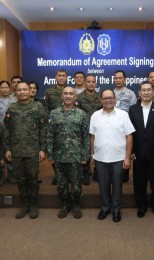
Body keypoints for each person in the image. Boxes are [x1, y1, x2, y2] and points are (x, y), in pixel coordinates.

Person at [90, 89, 135, 223]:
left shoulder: (123, 115)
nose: (108, 100)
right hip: (100, 157)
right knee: (102, 185)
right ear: (101, 100)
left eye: (111, 98)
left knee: (117, 185)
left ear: (115, 99)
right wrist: (92, 156)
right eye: (105, 98)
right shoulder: (95, 115)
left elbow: (129, 137)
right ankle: (105, 207)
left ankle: (116, 209)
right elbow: (92, 137)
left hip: (118, 157)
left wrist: (127, 157)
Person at [4, 81, 47, 219]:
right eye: (19, 90)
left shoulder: (38, 107)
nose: (22, 92)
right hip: (16, 150)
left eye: (25, 90)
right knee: (20, 179)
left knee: (33, 179)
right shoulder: (11, 108)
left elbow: (44, 129)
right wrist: (7, 149)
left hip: (32, 150)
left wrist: (42, 149)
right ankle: (24, 205)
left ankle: (34, 205)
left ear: (30, 91)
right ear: (15, 92)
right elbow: (6, 130)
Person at [128, 81, 154, 220]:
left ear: (153, 93)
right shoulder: (133, 109)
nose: (146, 93)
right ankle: (141, 206)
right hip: (138, 153)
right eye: (143, 90)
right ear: (139, 93)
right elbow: (130, 133)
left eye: (149, 90)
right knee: (139, 182)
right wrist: (131, 151)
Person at [47, 86, 89, 219]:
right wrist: (50, 153)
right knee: (61, 184)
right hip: (59, 155)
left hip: (76, 156)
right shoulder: (54, 114)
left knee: (76, 185)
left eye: (71, 93)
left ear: (75, 97)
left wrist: (85, 154)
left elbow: (85, 136)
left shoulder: (82, 114)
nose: (68, 96)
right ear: (61, 96)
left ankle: (76, 205)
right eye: (65, 93)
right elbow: (50, 135)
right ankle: (65, 204)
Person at [43, 69, 69, 185]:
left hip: (68, 125)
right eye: (59, 76)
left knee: (67, 150)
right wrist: (49, 121)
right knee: (55, 150)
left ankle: (68, 174)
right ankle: (58, 174)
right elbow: (46, 108)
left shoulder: (70, 91)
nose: (61, 78)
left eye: (63, 76)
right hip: (54, 125)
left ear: (67, 78)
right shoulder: (49, 91)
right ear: (55, 77)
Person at [76, 74, 103, 185]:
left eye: (93, 82)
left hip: (99, 128)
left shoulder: (100, 96)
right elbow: (77, 113)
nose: (91, 83)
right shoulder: (79, 97)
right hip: (85, 128)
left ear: (96, 83)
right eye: (89, 81)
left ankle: (98, 172)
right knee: (86, 151)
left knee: (99, 149)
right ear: (84, 83)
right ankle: (85, 173)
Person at [113, 70, 137, 183]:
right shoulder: (111, 93)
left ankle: (125, 172)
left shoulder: (130, 94)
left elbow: (133, 112)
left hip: (126, 126)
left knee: (127, 149)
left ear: (125, 79)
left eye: (120, 78)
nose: (118, 80)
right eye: (116, 78)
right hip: (113, 127)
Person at [0, 80, 17, 185]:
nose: (4, 89)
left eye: (6, 87)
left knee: (10, 151)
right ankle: (1, 175)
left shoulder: (15, 101)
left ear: (9, 88)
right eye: (2, 87)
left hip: (12, 130)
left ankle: (11, 174)